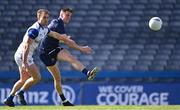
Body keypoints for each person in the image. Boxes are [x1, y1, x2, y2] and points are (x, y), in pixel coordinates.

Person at [3, 9, 74, 107]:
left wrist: (65, 39)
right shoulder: (34, 30)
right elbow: (26, 46)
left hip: (22, 55)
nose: (46, 19)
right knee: (37, 77)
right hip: (23, 56)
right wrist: (25, 62)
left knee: (23, 79)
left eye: (47, 17)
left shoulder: (44, 29)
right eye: (44, 17)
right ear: (38, 17)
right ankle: (20, 93)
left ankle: (9, 99)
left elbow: (55, 34)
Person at [39, 7, 99, 106]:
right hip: (45, 53)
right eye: (67, 15)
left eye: (70, 16)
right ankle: (64, 101)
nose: (68, 18)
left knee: (71, 59)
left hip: (54, 48)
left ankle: (88, 73)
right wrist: (81, 48)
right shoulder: (58, 23)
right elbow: (69, 43)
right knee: (57, 78)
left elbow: (61, 38)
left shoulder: (57, 23)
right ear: (61, 13)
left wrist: (65, 40)